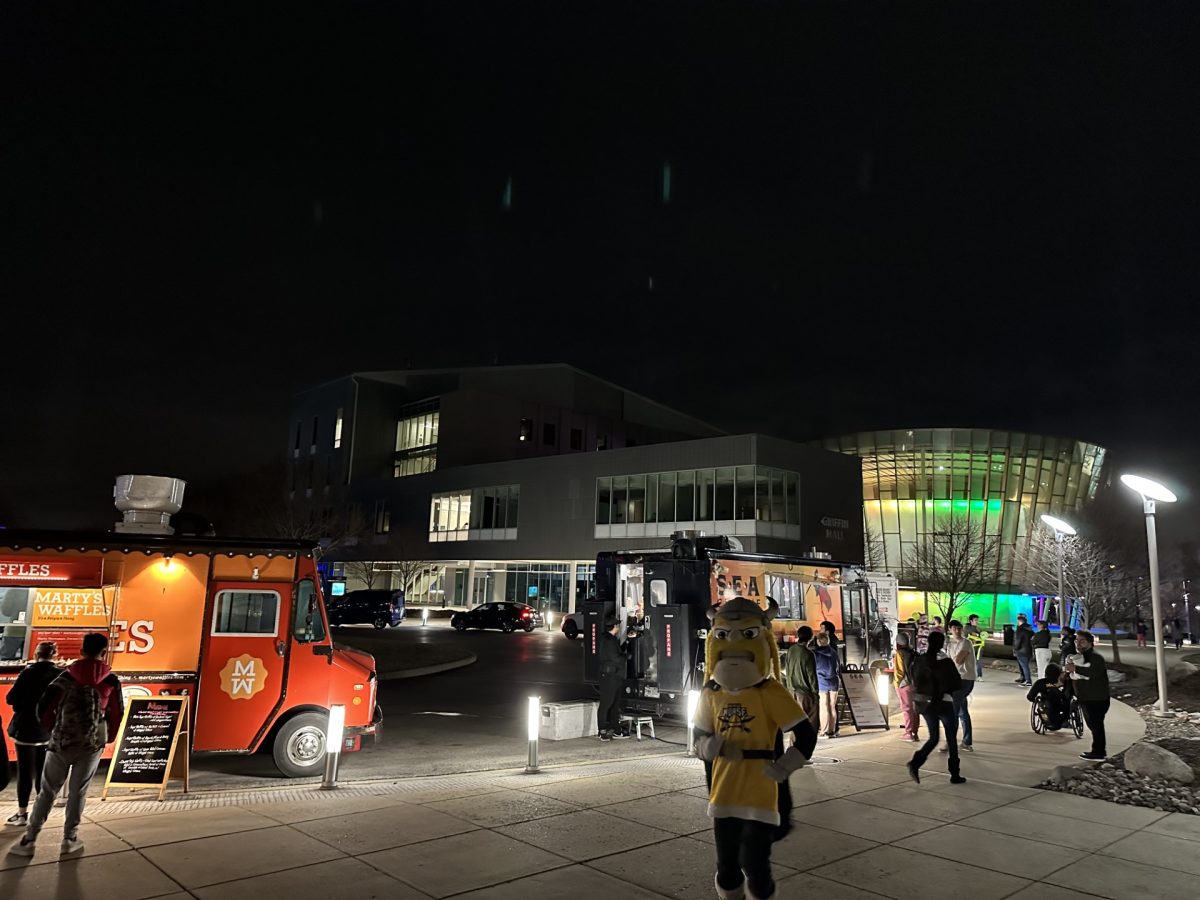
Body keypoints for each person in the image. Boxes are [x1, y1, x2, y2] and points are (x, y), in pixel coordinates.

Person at [694, 597, 817, 900]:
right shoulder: (711, 692)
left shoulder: (769, 691)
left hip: (761, 792)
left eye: (747, 634)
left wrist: (784, 766)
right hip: (723, 790)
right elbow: (699, 736)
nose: (734, 643)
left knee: (755, 863)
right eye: (723, 635)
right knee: (727, 868)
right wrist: (711, 746)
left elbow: (804, 734)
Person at [9, 632, 124, 857]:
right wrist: (107, 738)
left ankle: (29, 840)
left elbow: (43, 709)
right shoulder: (111, 680)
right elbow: (117, 713)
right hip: (91, 745)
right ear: (104, 652)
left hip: (61, 743)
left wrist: (55, 730)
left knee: (47, 791)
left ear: (81, 652)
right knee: (77, 792)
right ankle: (69, 839)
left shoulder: (65, 677)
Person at [5, 641, 61, 828]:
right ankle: (39, 814)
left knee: (24, 773)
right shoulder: (59, 674)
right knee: (43, 773)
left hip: (25, 730)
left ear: (37, 654)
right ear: (54, 655)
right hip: (47, 731)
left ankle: (22, 815)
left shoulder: (27, 673)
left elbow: (11, 698)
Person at [906, 631, 966, 785]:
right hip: (943, 703)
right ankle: (954, 774)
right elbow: (955, 683)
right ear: (941, 643)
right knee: (951, 738)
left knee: (933, 737)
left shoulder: (920, 660)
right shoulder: (945, 662)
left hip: (924, 704)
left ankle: (916, 762)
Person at [1067, 631, 1109, 761]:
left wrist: (1076, 669)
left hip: (1096, 698)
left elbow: (1094, 672)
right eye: (1077, 641)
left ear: (1090, 643)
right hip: (1087, 697)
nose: (1078, 644)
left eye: (1082, 641)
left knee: (1096, 725)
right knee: (1094, 725)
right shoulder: (1082, 657)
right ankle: (1097, 750)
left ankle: (1098, 752)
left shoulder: (1095, 657)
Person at [597, 617, 630, 741]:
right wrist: (626, 656)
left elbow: (616, 654)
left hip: (615, 676)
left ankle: (616, 730)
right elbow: (615, 658)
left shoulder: (610, 639)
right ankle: (602, 731)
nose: (618, 627)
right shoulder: (608, 640)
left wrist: (626, 645)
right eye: (617, 625)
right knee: (606, 704)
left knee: (615, 704)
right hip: (609, 677)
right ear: (614, 626)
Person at [944, 620, 976, 753]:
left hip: (965, 679)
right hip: (956, 679)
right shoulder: (950, 644)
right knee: (962, 711)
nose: (957, 631)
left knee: (953, 712)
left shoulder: (966, 643)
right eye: (955, 628)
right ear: (950, 629)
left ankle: (950, 742)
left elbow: (959, 660)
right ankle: (966, 742)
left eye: (959, 628)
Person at [781, 625, 819, 733]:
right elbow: (812, 676)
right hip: (805, 692)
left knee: (796, 723)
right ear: (811, 638)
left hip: (792, 691)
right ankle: (803, 747)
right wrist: (815, 693)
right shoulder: (808, 654)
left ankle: (794, 745)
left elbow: (787, 668)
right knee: (809, 724)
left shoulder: (791, 650)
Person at [892, 631, 919, 742]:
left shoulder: (900, 653)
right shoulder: (914, 653)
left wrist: (896, 683)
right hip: (915, 684)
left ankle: (908, 733)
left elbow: (899, 672)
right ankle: (915, 733)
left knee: (906, 709)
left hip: (904, 684)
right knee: (914, 709)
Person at [1027, 663, 1070, 731]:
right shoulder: (1063, 683)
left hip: (1045, 707)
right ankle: (1065, 721)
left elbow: (1030, 696)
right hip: (1060, 707)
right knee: (1068, 703)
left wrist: (1034, 699)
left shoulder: (1040, 683)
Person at [813, 632, 840, 738]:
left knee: (824, 706)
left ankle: (824, 731)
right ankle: (832, 731)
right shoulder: (833, 652)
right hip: (834, 681)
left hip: (821, 681)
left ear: (818, 641)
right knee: (832, 706)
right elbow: (838, 667)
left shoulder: (815, 653)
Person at [1013, 614, 1034, 687]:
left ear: (1019, 621)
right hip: (1028, 650)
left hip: (1021, 650)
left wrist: (1015, 648)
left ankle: (1028, 680)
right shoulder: (1030, 629)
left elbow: (1018, 640)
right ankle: (1025, 679)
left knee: (1024, 666)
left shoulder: (1020, 629)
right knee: (1025, 666)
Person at [965, 614, 986, 680]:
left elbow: (983, 636)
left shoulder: (979, 629)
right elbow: (966, 636)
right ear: (971, 621)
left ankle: (979, 676)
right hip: (970, 648)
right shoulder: (966, 628)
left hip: (979, 648)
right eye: (975, 620)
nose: (977, 621)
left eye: (977, 620)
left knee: (979, 662)